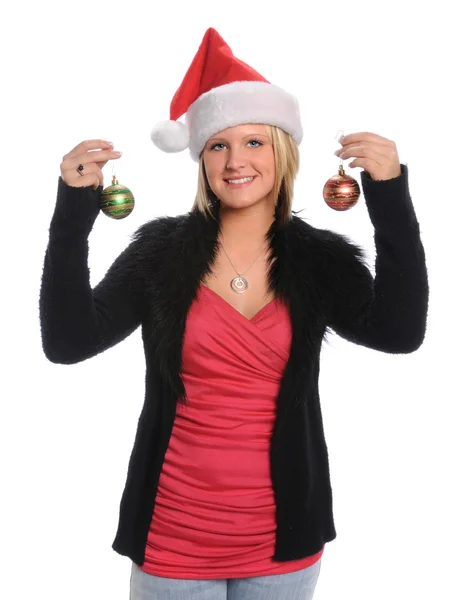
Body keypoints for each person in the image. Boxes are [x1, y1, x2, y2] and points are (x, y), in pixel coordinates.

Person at [39, 27, 429, 600]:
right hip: (173, 538)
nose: (235, 160)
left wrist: (390, 199)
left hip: (282, 543)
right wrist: (71, 221)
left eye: (254, 143)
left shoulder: (318, 260)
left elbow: (399, 334)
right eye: (219, 144)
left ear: (282, 151)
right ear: (201, 157)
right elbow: (68, 343)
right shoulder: (160, 252)